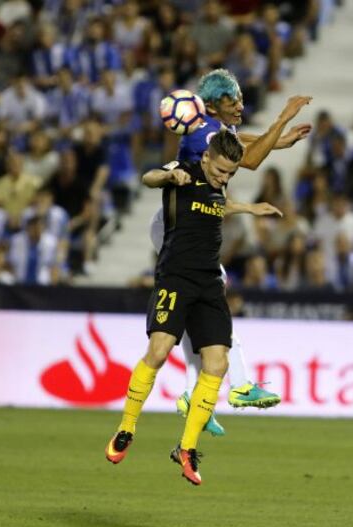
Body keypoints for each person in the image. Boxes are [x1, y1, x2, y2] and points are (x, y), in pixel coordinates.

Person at [157, 69, 312, 435]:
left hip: (181, 225)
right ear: (211, 106)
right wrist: (282, 119)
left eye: (241, 97)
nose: (241, 104)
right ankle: (238, 386)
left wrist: (279, 139)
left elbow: (241, 141)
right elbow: (252, 158)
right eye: (233, 101)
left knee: (202, 305)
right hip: (178, 228)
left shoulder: (212, 131)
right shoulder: (208, 134)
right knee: (213, 295)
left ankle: (193, 394)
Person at [106, 130, 245, 485]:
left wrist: (249, 207)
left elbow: (223, 198)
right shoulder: (182, 171)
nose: (223, 178)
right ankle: (126, 428)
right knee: (159, 349)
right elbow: (148, 177)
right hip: (176, 278)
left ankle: (186, 448)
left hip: (210, 283)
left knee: (218, 363)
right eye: (220, 171)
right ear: (207, 158)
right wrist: (169, 175)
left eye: (230, 174)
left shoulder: (221, 183)